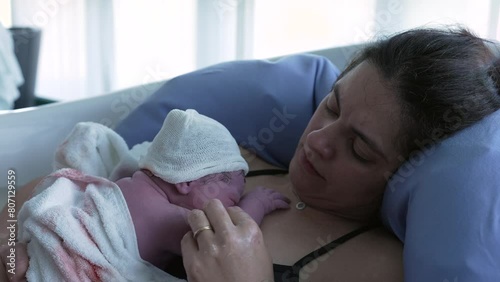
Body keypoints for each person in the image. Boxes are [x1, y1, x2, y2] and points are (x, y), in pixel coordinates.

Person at [2, 26, 500, 282]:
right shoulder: (224, 158)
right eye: (332, 106)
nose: (318, 141)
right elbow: (61, 190)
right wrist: (9, 243)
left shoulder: (375, 267)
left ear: (405, 176)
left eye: (359, 150)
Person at [0, 109, 289, 281]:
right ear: (186, 182)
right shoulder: (167, 218)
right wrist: (257, 203)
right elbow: (226, 240)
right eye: (233, 199)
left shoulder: (125, 181)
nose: (232, 207)